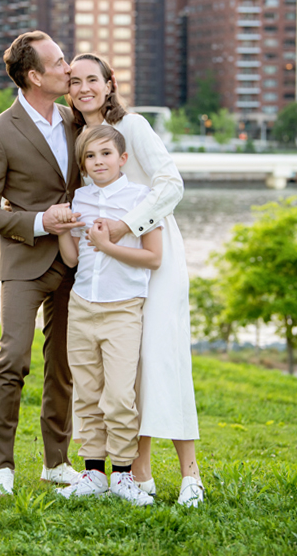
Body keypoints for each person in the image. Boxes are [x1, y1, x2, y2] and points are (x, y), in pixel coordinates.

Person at [66, 54, 204, 507]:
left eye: (93, 79)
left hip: (152, 253)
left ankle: (190, 475)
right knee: (130, 370)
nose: (83, 88)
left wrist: (126, 225)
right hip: (107, 272)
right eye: (74, 81)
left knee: (162, 358)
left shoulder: (134, 126)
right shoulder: (79, 138)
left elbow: (171, 184)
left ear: (110, 84)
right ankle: (137, 472)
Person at [0, 31, 84, 496]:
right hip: (23, 261)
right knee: (12, 359)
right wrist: (39, 221)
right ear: (35, 76)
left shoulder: (76, 120)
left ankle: (57, 462)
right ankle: (1, 467)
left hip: (75, 261)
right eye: (58, 63)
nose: (68, 68)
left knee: (63, 364)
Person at [56, 125, 163, 505]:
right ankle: (94, 474)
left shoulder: (142, 199)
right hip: (82, 304)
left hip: (123, 308)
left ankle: (122, 474)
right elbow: (72, 259)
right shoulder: (80, 198)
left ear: (123, 159)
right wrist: (63, 231)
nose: (98, 161)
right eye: (90, 156)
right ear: (83, 164)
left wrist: (107, 244)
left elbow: (154, 257)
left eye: (105, 154)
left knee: (119, 394)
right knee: (86, 393)